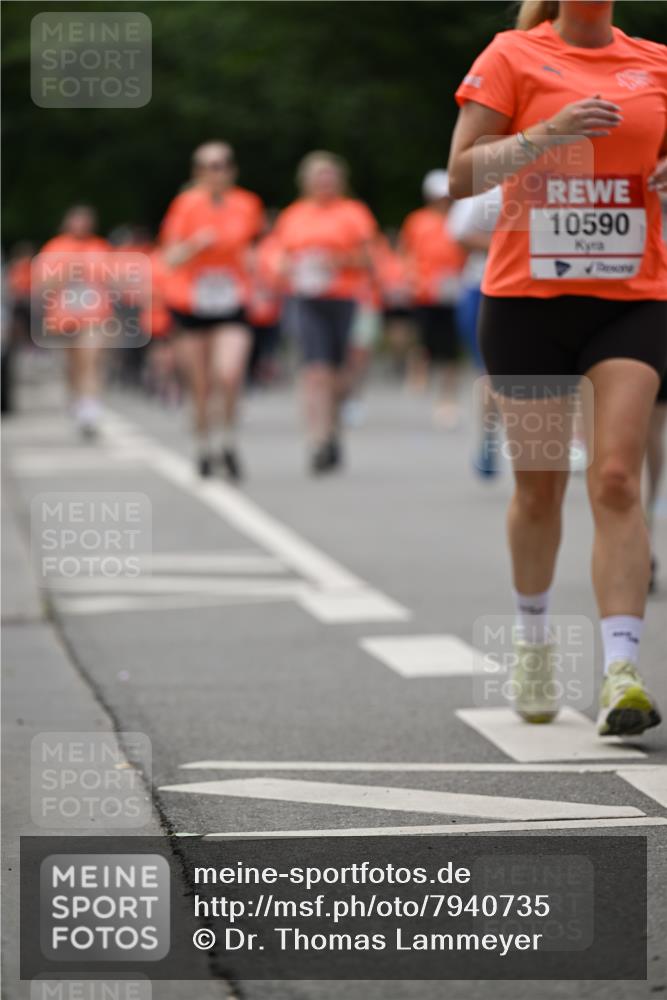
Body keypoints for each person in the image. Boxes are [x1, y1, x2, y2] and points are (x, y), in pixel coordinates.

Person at [449, 0, 667, 736]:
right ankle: (534, 641)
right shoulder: (511, 54)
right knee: (539, 488)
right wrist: (547, 133)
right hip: (526, 302)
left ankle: (621, 672)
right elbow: (460, 174)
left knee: (613, 477)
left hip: (631, 298)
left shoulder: (656, 62)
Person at [159, 141, 264, 480]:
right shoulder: (185, 205)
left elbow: (257, 249)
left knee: (229, 373)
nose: (216, 172)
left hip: (232, 301)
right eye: (208, 166)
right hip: (191, 303)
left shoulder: (248, 204)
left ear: (232, 170)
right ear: (197, 172)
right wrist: (195, 245)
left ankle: (227, 440)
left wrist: (258, 272)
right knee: (201, 384)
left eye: (222, 165)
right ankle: (203, 446)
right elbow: (170, 257)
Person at [271, 151, 377, 474]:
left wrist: (336, 261)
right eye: (318, 176)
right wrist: (290, 267)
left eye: (329, 175)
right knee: (314, 371)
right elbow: (280, 258)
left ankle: (333, 433)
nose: (324, 182)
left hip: (343, 298)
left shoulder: (353, 213)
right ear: (306, 181)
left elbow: (369, 259)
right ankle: (316, 440)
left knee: (340, 375)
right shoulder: (293, 216)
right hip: (306, 299)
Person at [400, 170, 466, 429]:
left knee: (449, 348)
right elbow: (408, 253)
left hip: (453, 290)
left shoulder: (459, 218)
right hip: (424, 292)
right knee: (422, 339)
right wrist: (410, 278)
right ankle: (418, 374)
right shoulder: (417, 221)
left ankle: (447, 399)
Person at [37, 206, 111, 439]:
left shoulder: (101, 247)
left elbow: (114, 279)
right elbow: (43, 285)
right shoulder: (54, 247)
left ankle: (90, 409)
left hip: (94, 315)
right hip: (65, 316)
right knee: (73, 364)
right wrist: (67, 273)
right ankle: (77, 399)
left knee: (91, 359)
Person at [448, 188, 502, 476]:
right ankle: (489, 439)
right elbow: (459, 233)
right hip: (486, 288)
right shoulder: (490, 188)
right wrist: (514, 244)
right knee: (491, 370)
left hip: (549, 286)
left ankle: (574, 442)